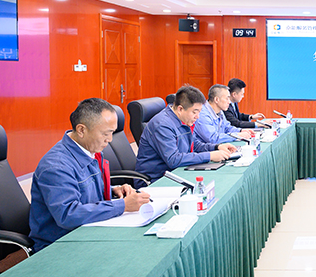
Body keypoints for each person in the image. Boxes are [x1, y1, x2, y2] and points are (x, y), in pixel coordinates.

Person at [29, 98, 151, 252]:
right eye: (106, 133)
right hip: (61, 245)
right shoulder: (56, 166)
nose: (110, 140)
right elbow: (68, 215)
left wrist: (113, 190)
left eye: (112, 133)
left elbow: (84, 190)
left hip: (90, 231)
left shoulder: (89, 151)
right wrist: (123, 205)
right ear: (81, 130)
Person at [135, 85, 237, 182]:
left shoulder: (183, 119)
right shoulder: (162, 125)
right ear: (180, 109)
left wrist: (217, 147)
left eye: (199, 112)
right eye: (194, 112)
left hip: (177, 172)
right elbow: (173, 160)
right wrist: (210, 156)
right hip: (156, 179)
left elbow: (194, 145)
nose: (197, 117)